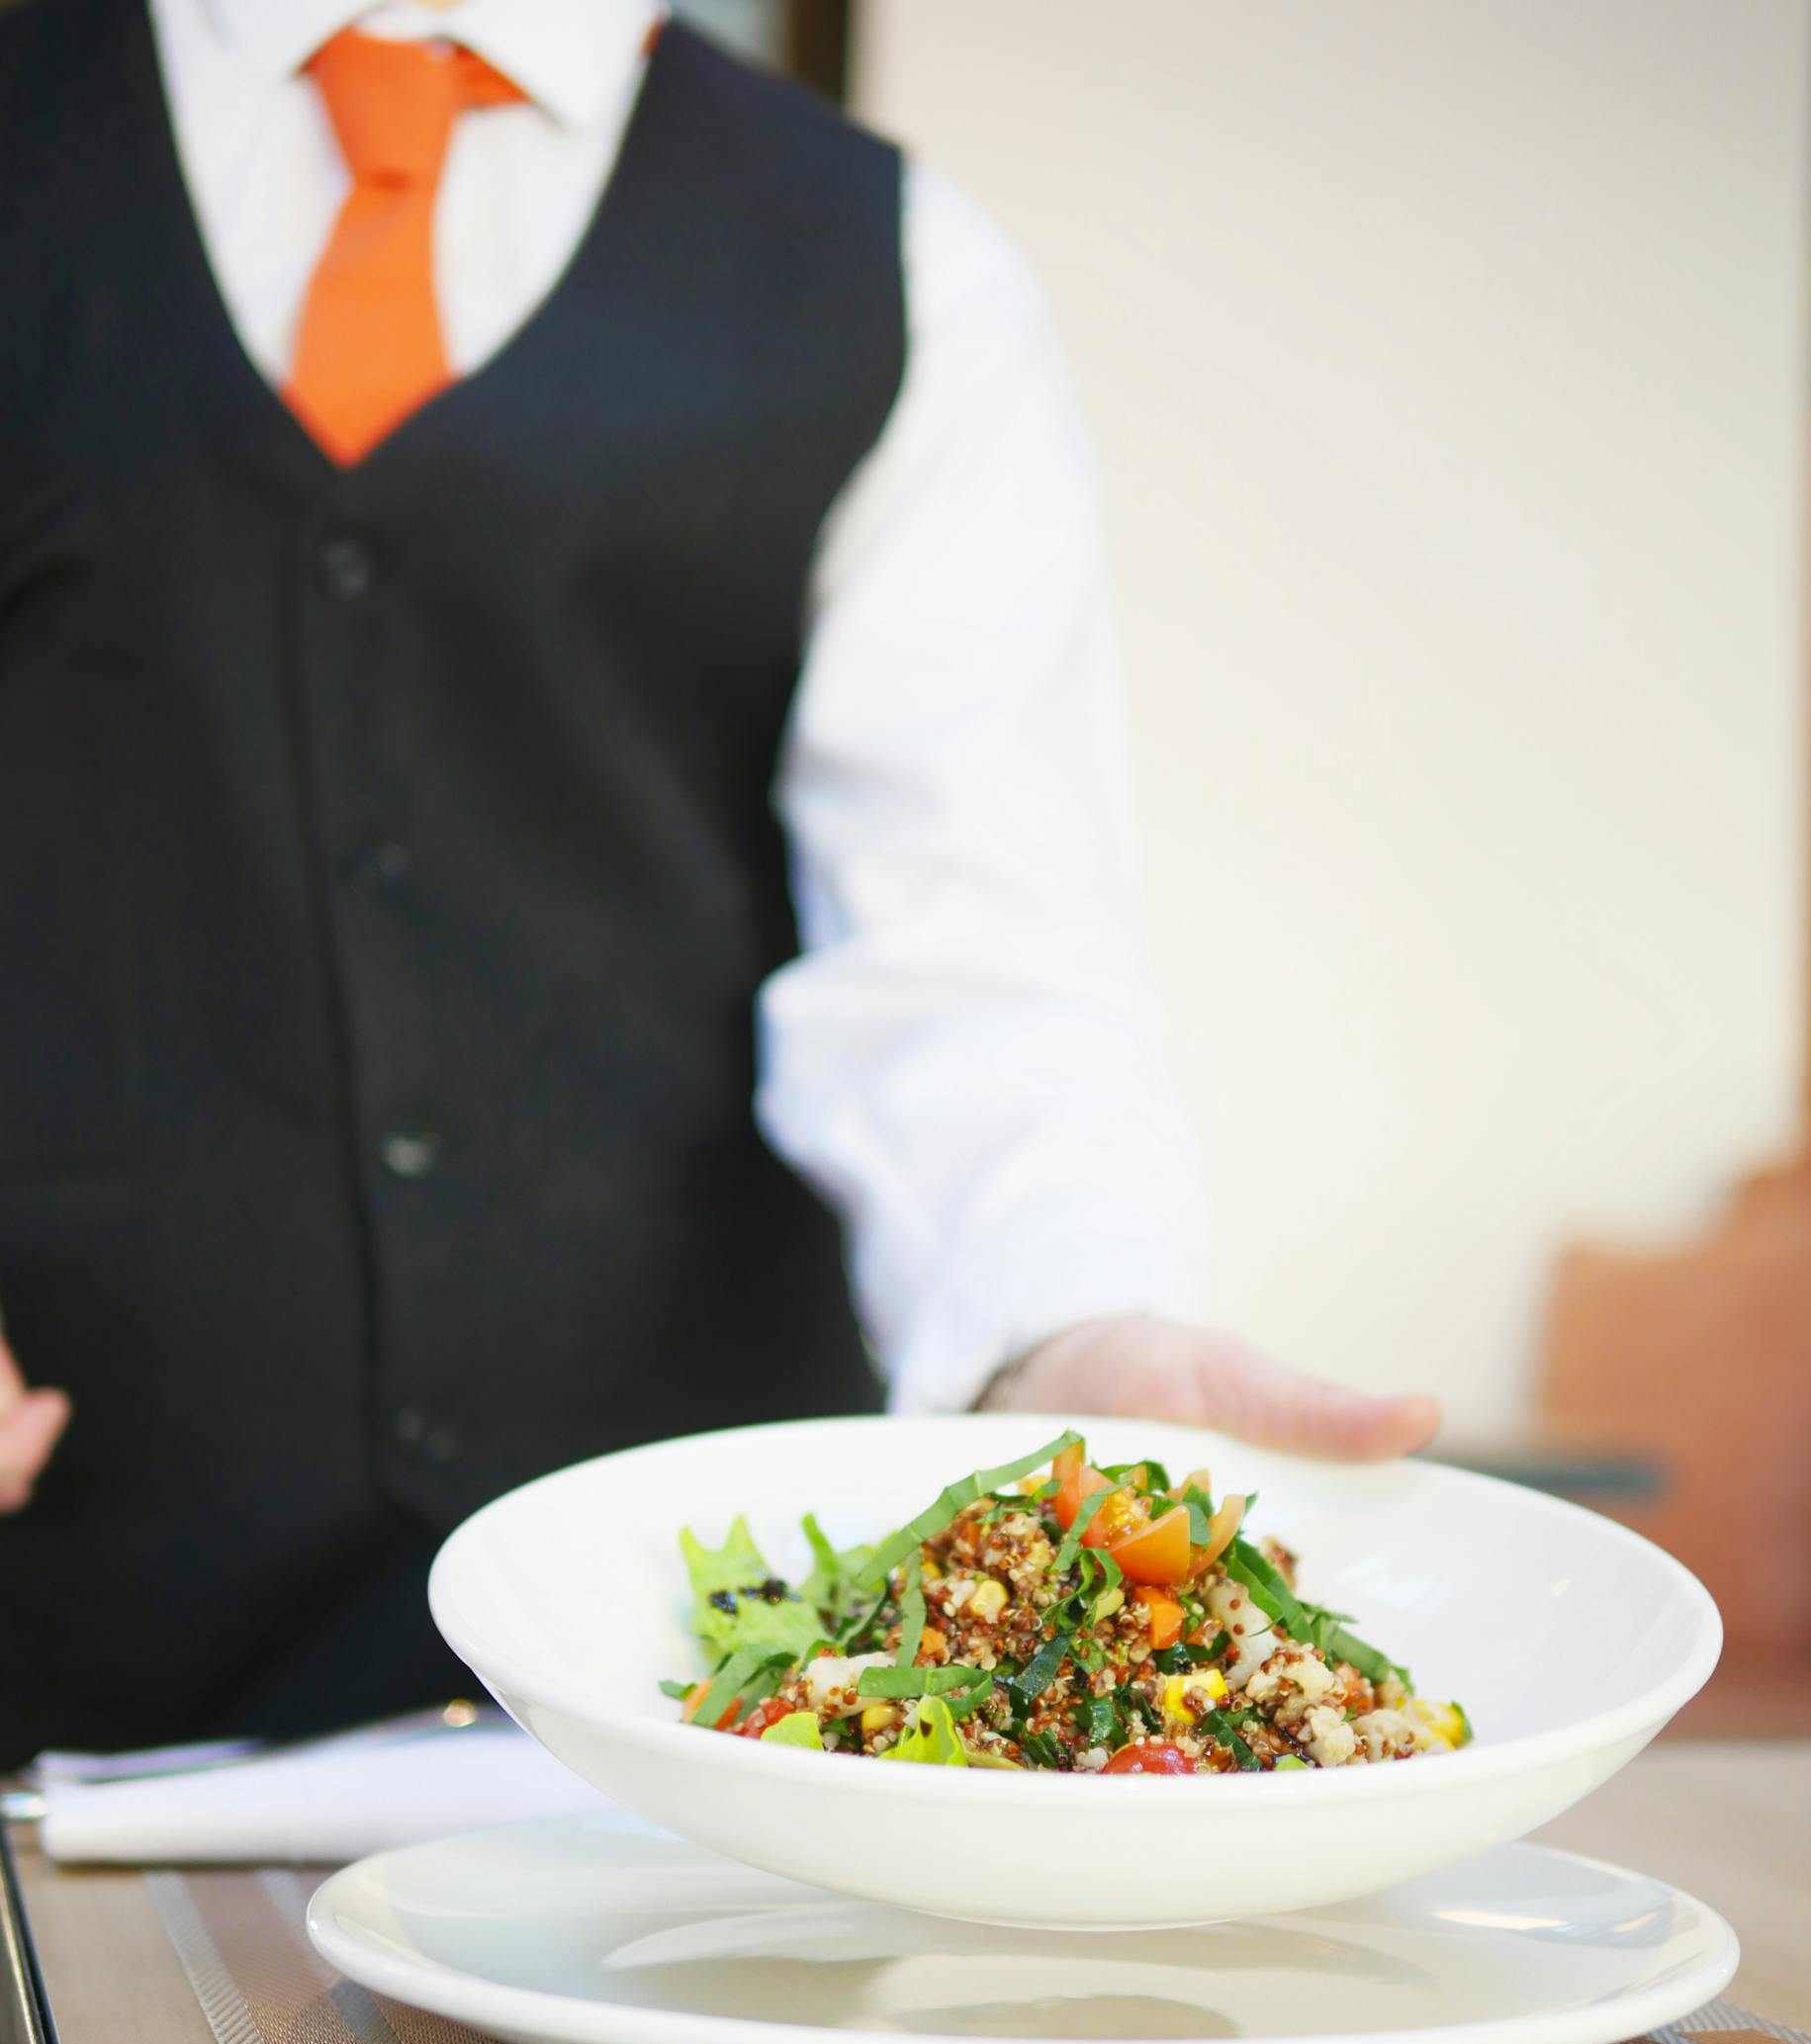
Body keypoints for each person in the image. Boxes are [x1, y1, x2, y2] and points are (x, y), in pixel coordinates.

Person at [0, 0, 1436, 1763]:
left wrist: (1066, 1333)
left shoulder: (899, 266)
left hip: (677, 1701)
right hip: (76, 1649)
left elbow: (966, 936)